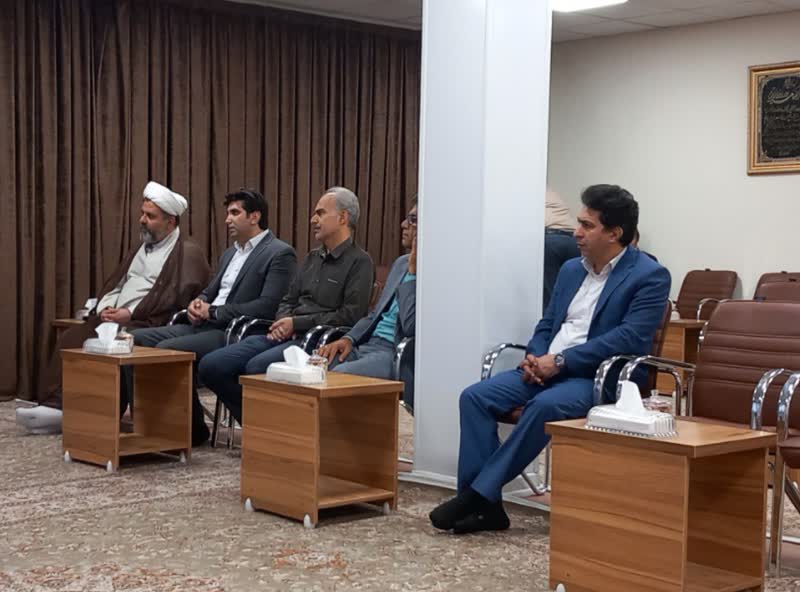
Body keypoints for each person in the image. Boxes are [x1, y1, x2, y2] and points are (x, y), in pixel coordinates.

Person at [429, 184, 670, 534]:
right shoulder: (572, 269)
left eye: (587, 225)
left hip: (598, 377)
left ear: (614, 233)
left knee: (544, 406)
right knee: (475, 397)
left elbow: (629, 337)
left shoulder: (649, 275)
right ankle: (487, 509)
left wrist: (560, 361)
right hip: (548, 368)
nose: (576, 232)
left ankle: (475, 496)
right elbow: (548, 322)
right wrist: (535, 355)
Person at [17, 181, 210, 434]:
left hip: (149, 322)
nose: (142, 220)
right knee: (72, 338)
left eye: (150, 216)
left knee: (118, 345)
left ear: (170, 222)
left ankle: (88, 413)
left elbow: (175, 300)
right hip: (117, 317)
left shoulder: (189, 252)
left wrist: (129, 313)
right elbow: (118, 283)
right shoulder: (141, 247)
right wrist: (107, 307)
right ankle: (56, 406)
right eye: (142, 213)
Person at [130, 189, 297, 446]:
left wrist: (215, 311)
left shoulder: (279, 253)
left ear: (254, 217)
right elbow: (211, 291)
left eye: (234, 213)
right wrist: (198, 303)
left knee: (167, 350)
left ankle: (192, 430)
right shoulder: (230, 253)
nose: (227, 219)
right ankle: (152, 424)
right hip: (205, 325)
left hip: (235, 331)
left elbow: (268, 306)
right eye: (227, 213)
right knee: (135, 340)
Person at [198, 186, 374, 426]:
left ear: (343, 217)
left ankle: (273, 432)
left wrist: (296, 323)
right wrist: (284, 321)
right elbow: (288, 299)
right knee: (212, 365)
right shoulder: (312, 257)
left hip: (317, 342)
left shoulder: (360, 262)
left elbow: (349, 315)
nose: (313, 220)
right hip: (285, 334)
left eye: (321, 213)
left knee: (257, 366)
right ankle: (261, 427)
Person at [317, 200, 417, 406]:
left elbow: (410, 326)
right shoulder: (401, 263)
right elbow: (375, 314)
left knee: (336, 377)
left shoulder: (438, 270)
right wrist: (349, 338)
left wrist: (414, 273)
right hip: (367, 343)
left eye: (413, 220)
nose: (403, 224)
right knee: (312, 370)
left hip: (395, 351)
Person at [544, 189, 580, 310]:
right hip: (575, 241)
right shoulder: (550, 191)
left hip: (550, 242)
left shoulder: (524, 190)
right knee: (575, 292)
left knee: (550, 296)